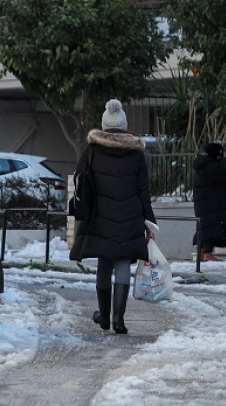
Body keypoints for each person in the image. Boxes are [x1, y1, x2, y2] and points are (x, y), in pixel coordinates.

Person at [73, 99, 156, 335]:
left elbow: (80, 181)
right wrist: (149, 221)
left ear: (104, 124)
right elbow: (144, 192)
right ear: (124, 125)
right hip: (130, 217)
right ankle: (119, 318)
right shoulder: (136, 154)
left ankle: (104, 316)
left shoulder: (92, 151)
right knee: (122, 262)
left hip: (100, 216)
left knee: (104, 263)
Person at [192, 142, 226, 262]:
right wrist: (224, 160)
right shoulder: (211, 166)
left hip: (205, 202)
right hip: (210, 202)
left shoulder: (203, 165)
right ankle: (207, 253)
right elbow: (224, 173)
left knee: (205, 226)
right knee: (210, 227)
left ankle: (203, 252)